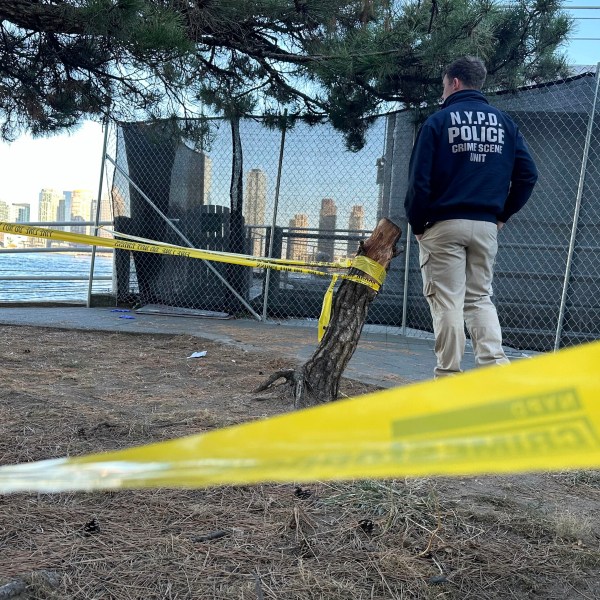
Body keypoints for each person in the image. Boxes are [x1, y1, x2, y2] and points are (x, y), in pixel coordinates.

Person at [404, 56, 538, 378]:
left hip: (444, 224)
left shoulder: (437, 122)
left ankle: (449, 377)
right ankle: (495, 373)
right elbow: (528, 175)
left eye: (443, 86)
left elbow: (418, 182)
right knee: (479, 299)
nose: (443, 92)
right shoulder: (505, 124)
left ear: (454, 83)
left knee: (448, 302)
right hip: (485, 225)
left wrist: (417, 224)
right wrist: (502, 215)